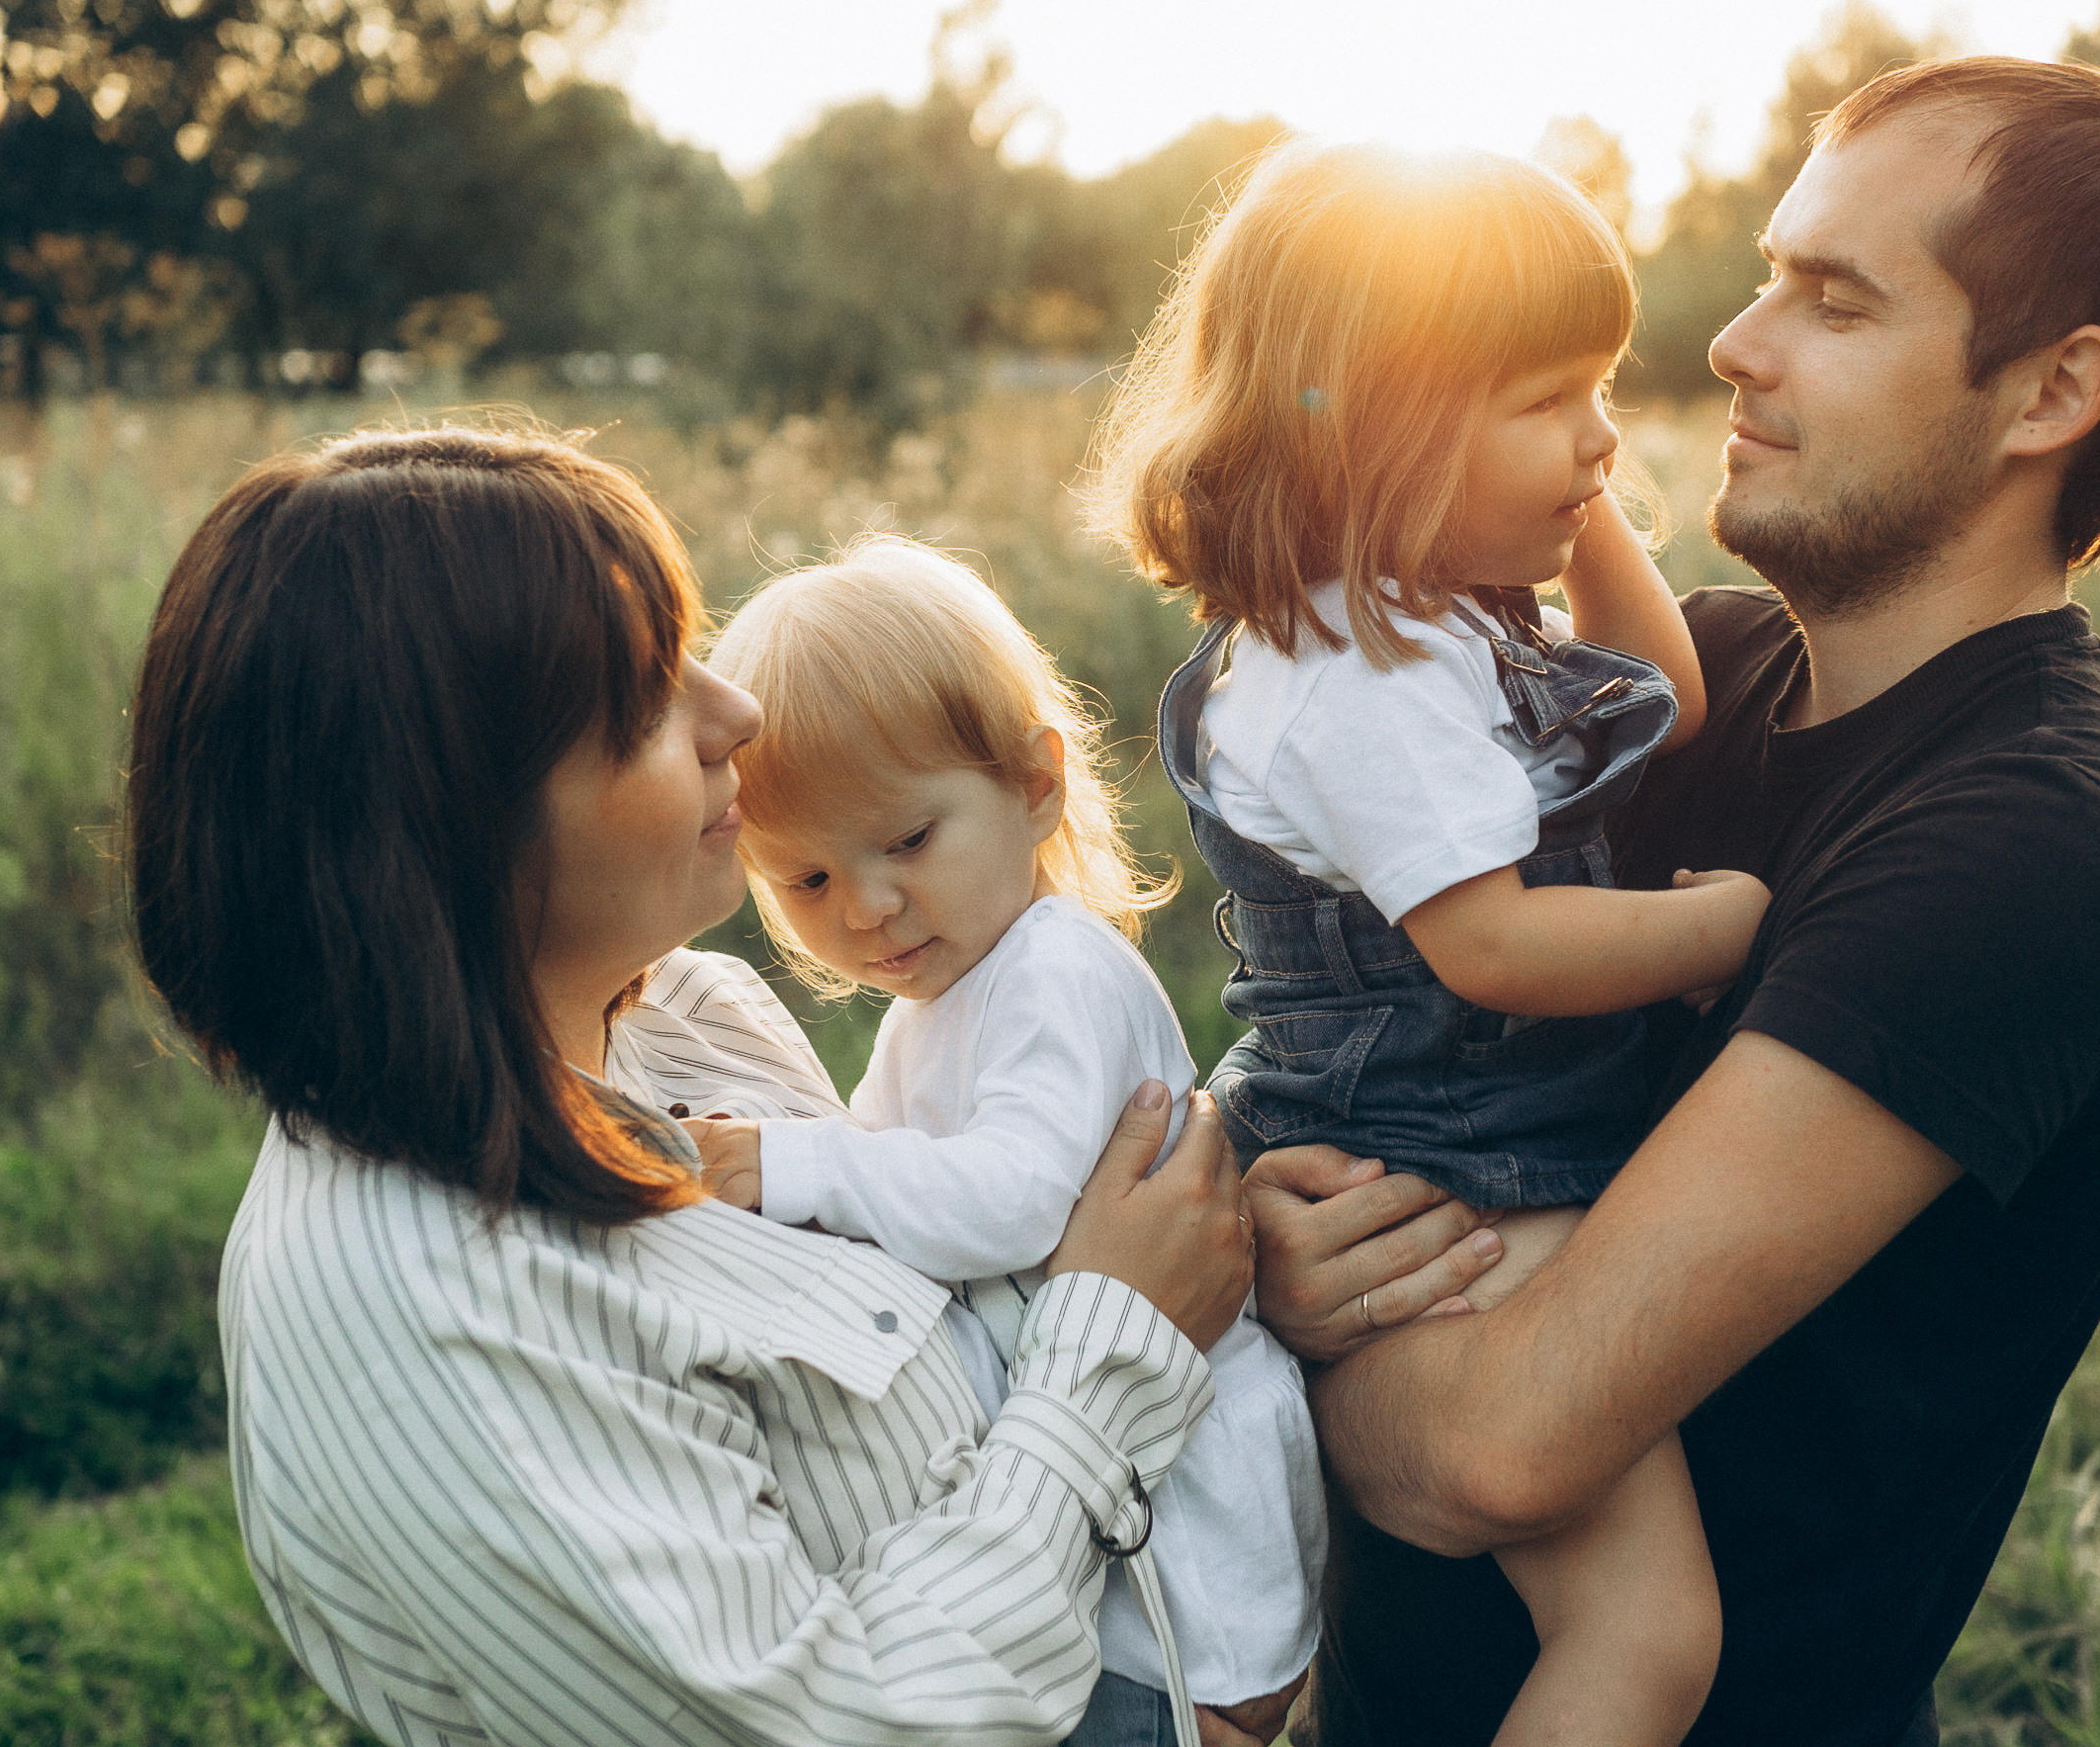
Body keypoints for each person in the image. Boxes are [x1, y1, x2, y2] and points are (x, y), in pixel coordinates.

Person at [1242, 56, 2100, 1746]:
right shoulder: (1689, 680)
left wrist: (1270, 1318)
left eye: (1833, 299)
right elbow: (1362, 1009)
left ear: (2049, 395)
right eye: (1767, 272)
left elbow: (1510, 1441)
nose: (1734, 342)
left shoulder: (2041, 845)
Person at [124, 426, 1256, 1747]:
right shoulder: (430, 1307)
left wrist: (1235, 1245)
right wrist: (1126, 1341)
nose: (737, 716)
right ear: (447, 826)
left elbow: (963, 1310)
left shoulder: (694, 1020)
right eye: (647, 699)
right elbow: (836, 1724)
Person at [1092, 138, 1773, 1745]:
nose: (1601, 435)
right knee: (1648, 1631)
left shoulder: (1426, 606)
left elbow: (1659, 691)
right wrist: (1714, 928)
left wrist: (1582, 501)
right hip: (1458, 1158)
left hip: (1455, 1127)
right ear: (1382, 424)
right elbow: (1497, 952)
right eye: (1550, 399)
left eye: (1602, 392)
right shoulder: (1360, 680)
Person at [631, 534, 1324, 1747]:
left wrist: (782, 1164)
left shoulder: (1053, 971)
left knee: (1206, 1713)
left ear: (1036, 783)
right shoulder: (937, 1003)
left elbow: (1003, 1202)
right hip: (1113, 1480)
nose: (869, 907)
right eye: (805, 880)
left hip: (1197, 1488)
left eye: (906, 842)